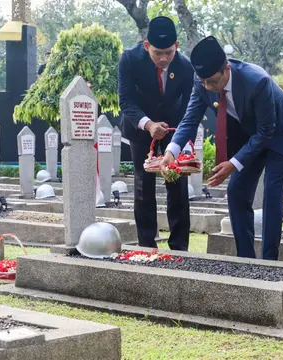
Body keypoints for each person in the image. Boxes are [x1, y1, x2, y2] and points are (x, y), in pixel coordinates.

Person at [159, 36, 283, 260]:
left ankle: (270, 261)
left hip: (278, 134)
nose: (208, 87)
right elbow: (190, 120)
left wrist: (233, 163)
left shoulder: (256, 81)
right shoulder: (202, 82)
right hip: (249, 135)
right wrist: (172, 151)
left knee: (272, 193)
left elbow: (266, 132)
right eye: (203, 82)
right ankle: (246, 259)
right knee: (236, 192)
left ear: (226, 69)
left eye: (212, 82)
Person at [117, 16, 194, 251]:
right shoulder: (129, 60)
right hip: (140, 127)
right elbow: (126, 100)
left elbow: (190, 104)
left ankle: (179, 245)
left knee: (177, 182)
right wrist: (149, 124)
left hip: (174, 128)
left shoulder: (185, 65)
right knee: (144, 184)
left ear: (177, 46)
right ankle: (147, 244)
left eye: (169, 53)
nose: (163, 59)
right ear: (146, 46)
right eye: (158, 53)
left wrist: (179, 135)